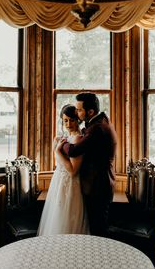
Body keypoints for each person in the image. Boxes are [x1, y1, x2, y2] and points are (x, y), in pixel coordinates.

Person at [57, 92, 117, 237]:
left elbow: (74, 150)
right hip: (97, 185)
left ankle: (101, 259)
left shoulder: (98, 128)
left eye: (79, 110)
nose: (76, 114)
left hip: (97, 187)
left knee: (98, 231)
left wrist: (61, 143)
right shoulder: (99, 122)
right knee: (96, 228)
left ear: (90, 111)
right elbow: (87, 137)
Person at [37, 104, 89, 236]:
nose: (68, 123)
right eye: (65, 120)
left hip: (70, 184)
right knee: (56, 218)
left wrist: (57, 151)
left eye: (72, 120)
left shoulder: (78, 139)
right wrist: (57, 147)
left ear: (78, 120)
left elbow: (72, 171)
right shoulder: (61, 138)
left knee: (68, 219)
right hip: (58, 182)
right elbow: (59, 164)